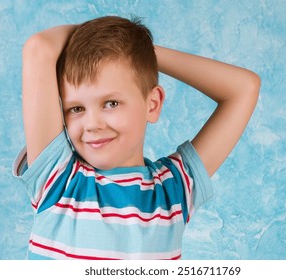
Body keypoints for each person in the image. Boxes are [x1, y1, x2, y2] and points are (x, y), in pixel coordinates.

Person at [13, 16, 260, 260]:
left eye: (111, 103)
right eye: (76, 109)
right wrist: (98, 36)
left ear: (152, 104)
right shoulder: (58, 180)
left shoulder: (174, 190)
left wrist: (139, 51)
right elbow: (39, 47)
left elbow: (244, 87)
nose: (92, 125)